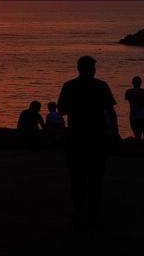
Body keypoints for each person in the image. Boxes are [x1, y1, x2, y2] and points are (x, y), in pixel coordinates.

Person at [58, 56, 117, 228]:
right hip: (96, 137)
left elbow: (61, 110)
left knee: (77, 178)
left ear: (78, 68)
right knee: (95, 179)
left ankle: (78, 214)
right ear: (93, 69)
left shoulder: (69, 86)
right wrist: (114, 132)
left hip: (76, 137)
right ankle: (93, 216)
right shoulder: (101, 86)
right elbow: (111, 111)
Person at [125, 76, 144, 140]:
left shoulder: (129, 92)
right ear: (141, 83)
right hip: (143, 115)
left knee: (137, 135)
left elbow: (127, 99)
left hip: (134, 116)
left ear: (132, 83)